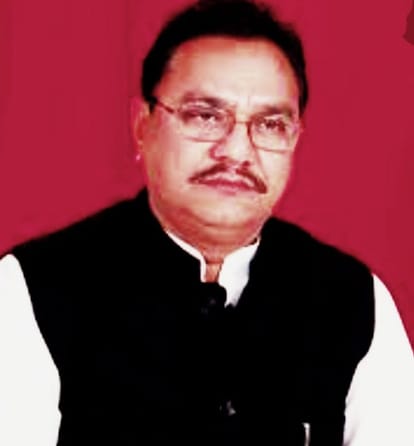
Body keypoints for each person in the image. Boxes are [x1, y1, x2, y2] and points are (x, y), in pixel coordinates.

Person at [0, 0, 413, 445]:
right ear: (142, 126)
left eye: (270, 124)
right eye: (205, 116)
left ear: (295, 140)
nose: (236, 152)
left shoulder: (354, 301)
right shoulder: (32, 291)